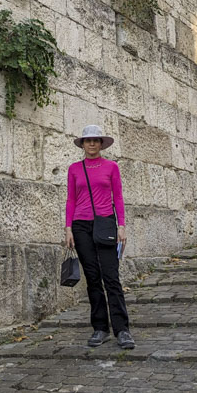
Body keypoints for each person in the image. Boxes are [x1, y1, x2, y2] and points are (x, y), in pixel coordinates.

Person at [65, 124, 135, 349]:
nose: (92, 144)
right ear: (83, 144)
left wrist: (121, 226)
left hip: (105, 224)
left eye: (96, 140)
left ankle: (122, 330)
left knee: (111, 277)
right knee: (93, 277)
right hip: (80, 226)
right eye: (88, 141)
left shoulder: (111, 167)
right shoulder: (74, 169)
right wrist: (68, 228)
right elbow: (71, 200)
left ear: (101, 144)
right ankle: (100, 328)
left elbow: (119, 197)